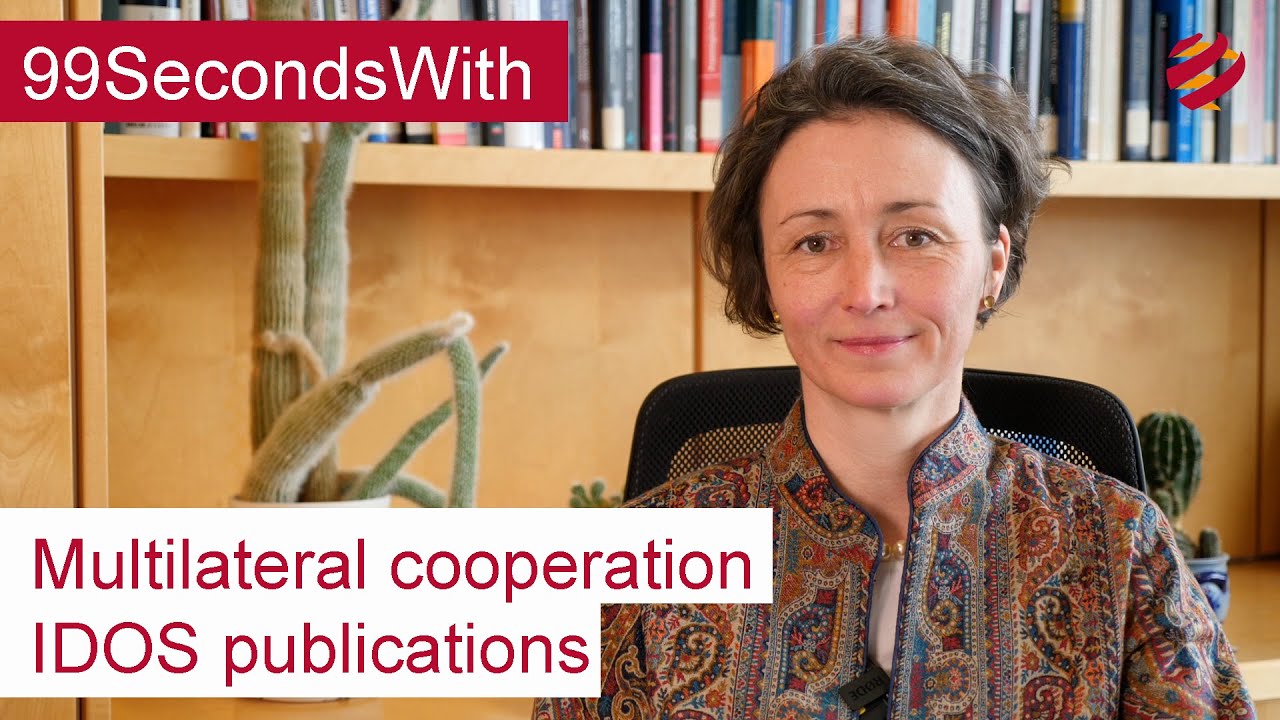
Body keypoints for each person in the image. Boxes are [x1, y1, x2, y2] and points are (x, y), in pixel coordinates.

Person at [533, 35, 1255, 719]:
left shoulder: (1122, 550)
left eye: (916, 236)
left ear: (992, 266)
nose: (866, 290)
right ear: (767, 280)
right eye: (813, 242)